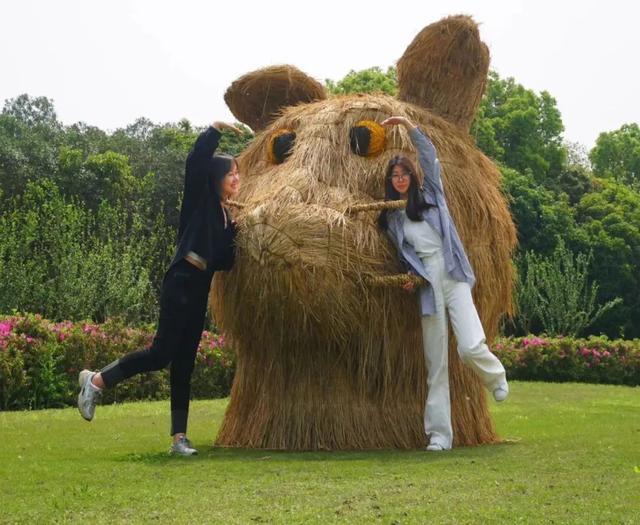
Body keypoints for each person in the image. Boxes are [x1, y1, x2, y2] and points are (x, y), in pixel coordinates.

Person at [77, 120, 243, 456]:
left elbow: (225, 261)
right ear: (216, 180)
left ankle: (179, 439)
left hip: (199, 293)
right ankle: (95, 381)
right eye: (231, 174)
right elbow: (195, 162)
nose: (237, 179)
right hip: (181, 283)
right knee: (160, 354)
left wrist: (244, 235)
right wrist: (213, 131)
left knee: (184, 365)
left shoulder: (228, 219)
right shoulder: (200, 202)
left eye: (238, 173)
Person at [378, 115, 509, 451]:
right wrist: (411, 278)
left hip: (452, 274)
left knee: (469, 346)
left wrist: (408, 126)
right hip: (427, 286)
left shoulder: (433, 194)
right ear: (390, 182)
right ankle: (440, 434)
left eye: (404, 173)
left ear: (412, 176)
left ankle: (495, 376)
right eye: (395, 175)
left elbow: (429, 155)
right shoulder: (393, 218)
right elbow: (404, 256)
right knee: (435, 363)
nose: (400, 179)